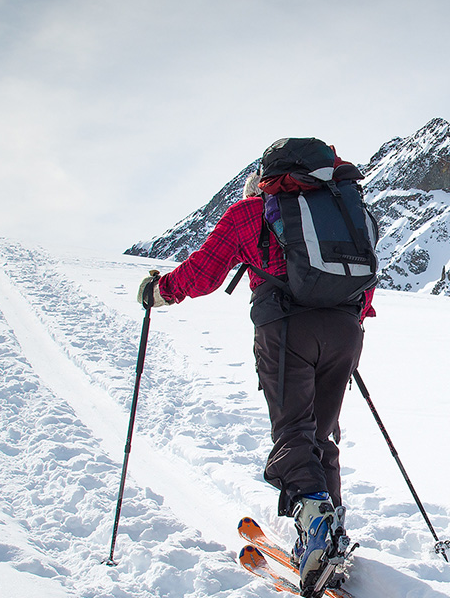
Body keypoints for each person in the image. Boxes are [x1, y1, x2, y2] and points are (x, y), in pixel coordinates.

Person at [135, 138, 376, 582]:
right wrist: (347, 329)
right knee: (322, 434)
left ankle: (318, 527)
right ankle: (328, 536)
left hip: (286, 333)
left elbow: (204, 272)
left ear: (265, 184)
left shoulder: (250, 213)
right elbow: (365, 279)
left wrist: (160, 291)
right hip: (345, 331)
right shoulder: (347, 212)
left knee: (293, 431)